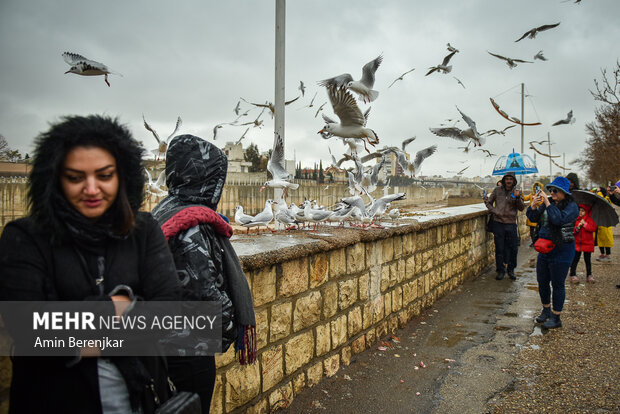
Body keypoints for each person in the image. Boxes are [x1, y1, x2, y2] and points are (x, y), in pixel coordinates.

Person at [0, 115, 180, 413]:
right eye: (75, 177)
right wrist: (116, 305)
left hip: (140, 399)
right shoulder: (25, 238)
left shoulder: (143, 230)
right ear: (55, 179)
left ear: (122, 176)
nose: (92, 188)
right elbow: (28, 328)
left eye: (105, 175)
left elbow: (169, 311)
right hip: (53, 400)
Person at [152, 134, 256, 413]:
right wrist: (232, 328)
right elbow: (204, 292)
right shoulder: (191, 224)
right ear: (208, 179)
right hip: (189, 349)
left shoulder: (164, 208)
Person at [526, 176, 578, 329]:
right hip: (545, 249)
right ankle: (546, 310)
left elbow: (557, 219)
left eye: (555, 191)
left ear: (564, 192)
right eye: (550, 190)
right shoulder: (548, 202)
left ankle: (556, 316)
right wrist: (534, 206)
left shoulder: (572, 206)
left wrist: (548, 203)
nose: (552, 193)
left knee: (557, 284)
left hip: (562, 249)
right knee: (542, 281)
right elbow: (533, 218)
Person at [484, 172, 524, 280]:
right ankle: (500, 270)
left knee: (513, 249)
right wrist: (494, 211)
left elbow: (521, 208)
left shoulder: (517, 191)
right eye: (507, 179)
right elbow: (488, 202)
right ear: (504, 180)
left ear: (514, 181)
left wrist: (517, 198)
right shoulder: (497, 190)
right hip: (498, 223)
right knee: (499, 248)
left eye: (511, 179)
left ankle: (511, 270)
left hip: (511, 223)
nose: (509, 181)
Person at [569, 204, 597, 283]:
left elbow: (593, 228)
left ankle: (589, 275)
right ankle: (572, 274)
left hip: (587, 243)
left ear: (586, 212)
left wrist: (585, 224)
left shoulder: (590, 220)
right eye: (579, 210)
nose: (580, 212)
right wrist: (578, 227)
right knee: (575, 259)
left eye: (583, 211)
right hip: (578, 243)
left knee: (587, 260)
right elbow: (573, 231)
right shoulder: (576, 220)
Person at [522, 181, 544, 247]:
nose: (535, 189)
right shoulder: (531, 194)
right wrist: (521, 193)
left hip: (538, 213)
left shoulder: (541, 195)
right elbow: (525, 199)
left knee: (537, 229)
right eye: (534, 187)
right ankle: (533, 242)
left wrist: (536, 200)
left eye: (537, 187)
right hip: (532, 213)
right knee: (531, 229)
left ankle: (537, 241)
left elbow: (541, 204)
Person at [594, 187, 613, 262]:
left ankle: (606, 254)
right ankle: (604, 253)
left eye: (598, 190)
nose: (597, 191)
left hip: (604, 221)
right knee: (601, 238)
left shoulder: (603, 198)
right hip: (602, 221)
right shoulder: (607, 198)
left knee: (605, 238)